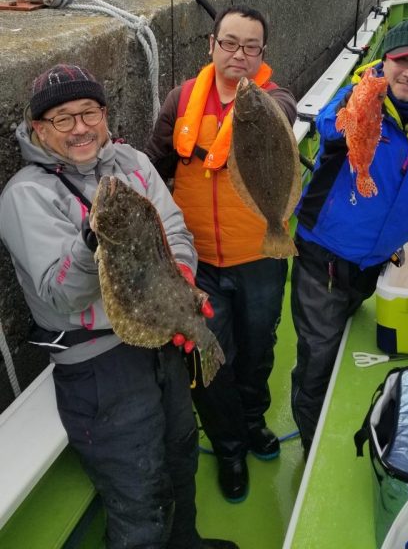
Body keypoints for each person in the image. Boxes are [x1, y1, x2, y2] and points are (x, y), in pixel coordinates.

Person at [0, 64, 238, 549]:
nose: (81, 127)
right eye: (63, 119)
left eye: (89, 112)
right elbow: (61, 292)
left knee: (180, 451)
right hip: (99, 368)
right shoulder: (25, 194)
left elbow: (173, 229)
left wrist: (183, 281)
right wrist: (93, 244)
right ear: (39, 128)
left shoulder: (131, 162)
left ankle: (186, 541)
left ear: (105, 116)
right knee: (137, 486)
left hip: (158, 343)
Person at [146, 5, 297, 503]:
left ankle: (253, 424)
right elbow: (153, 169)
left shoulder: (274, 100)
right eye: (229, 43)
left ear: (262, 55)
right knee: (211, 360)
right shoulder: (180, 100)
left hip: (259, 257)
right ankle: (230, 447)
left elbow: (284, 114)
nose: (239, 54)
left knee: (258, 350)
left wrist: (258, 109)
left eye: (250, 46)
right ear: (210, 45)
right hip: (199, 263)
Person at [291, 18, 408, 456]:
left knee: (342, 330)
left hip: (376, 260)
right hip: (324, 251)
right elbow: (327, 125)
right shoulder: (360, 93)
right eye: (402, 61)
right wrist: (354, 117)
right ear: (386, 61)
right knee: (318, 356)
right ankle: (312, 442)